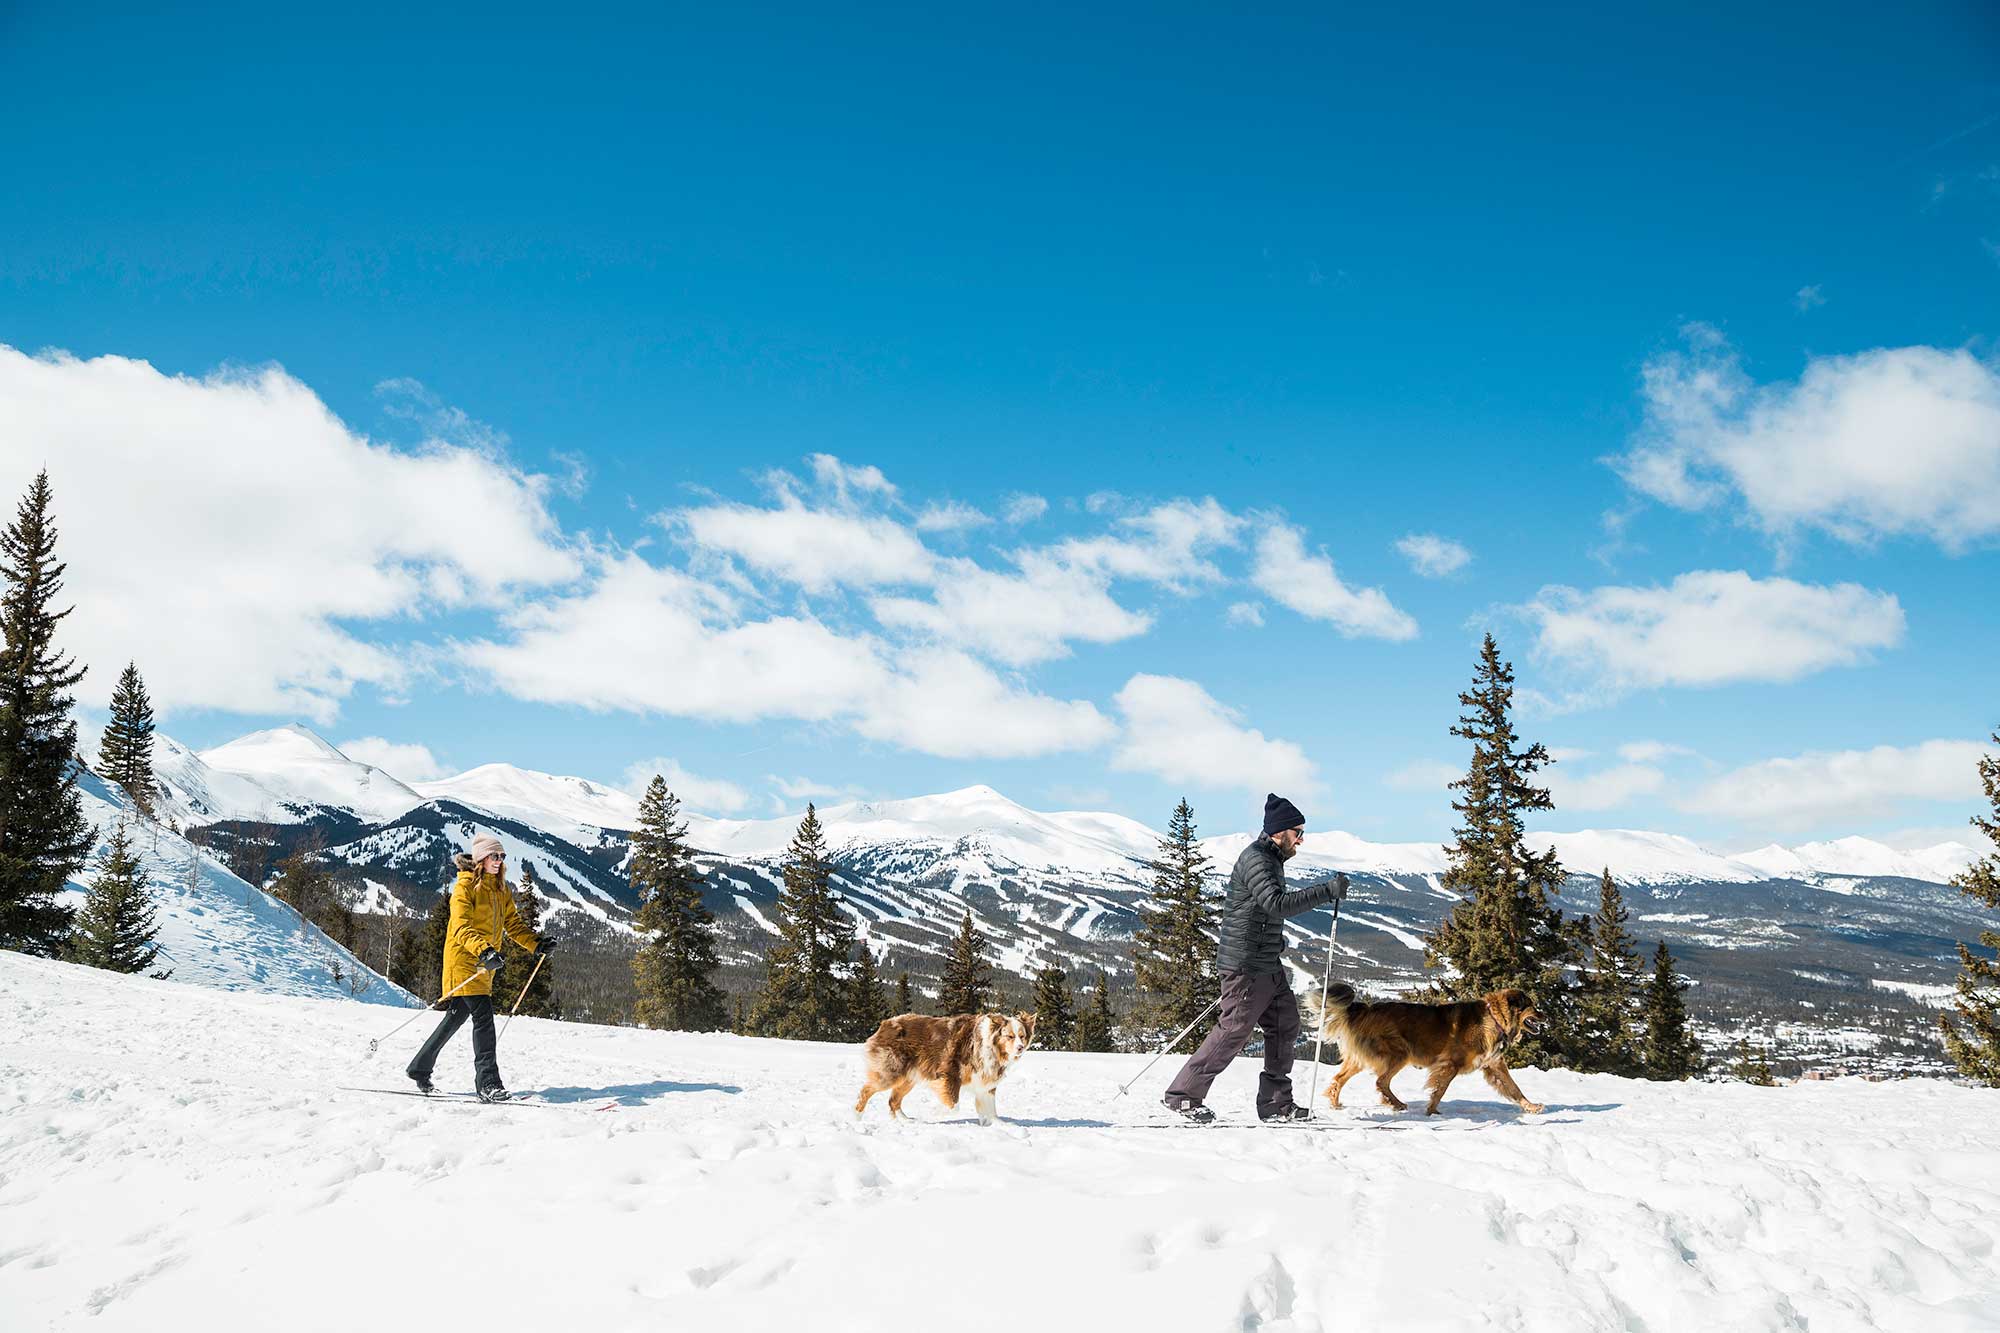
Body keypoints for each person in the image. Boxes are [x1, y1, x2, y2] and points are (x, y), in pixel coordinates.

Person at [1162, 793, 1347, 1123]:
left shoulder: (1271, 858)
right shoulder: (1258, 860)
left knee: (1284, 1024)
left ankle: (1276, 1104)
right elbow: (1276, 904)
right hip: (1245, 967)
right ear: (1279, 832)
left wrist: (1274, 940)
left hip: (1265, 965)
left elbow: (1260, 912)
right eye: (1297, 832)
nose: (1301, 840)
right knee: (1233, 1031)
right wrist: (1326, 891)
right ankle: (1183, 1095)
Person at [406, 834, 552, 1101]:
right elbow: (461, 928)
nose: (499, 861)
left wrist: (536, 944)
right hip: (464, 961)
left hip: (485, 963)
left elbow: (514, 925)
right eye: (494, 856)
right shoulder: (464, 888)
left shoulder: (500, 889)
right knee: (483, 1018)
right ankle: (488, 1083)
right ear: (481, 859)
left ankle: (419, 1068)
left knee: (456, 1017)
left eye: (502, 857)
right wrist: (484, 950)